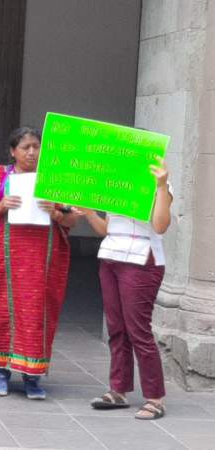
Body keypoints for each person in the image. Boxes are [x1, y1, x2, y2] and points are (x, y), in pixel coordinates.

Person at [0, 127, 78, 399]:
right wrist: (1, 206)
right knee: (1, 311)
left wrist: (57, 213)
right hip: (4, 260)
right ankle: (1, 373)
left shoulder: (56, 180)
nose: (31, 152)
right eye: (25, 147)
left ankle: (32, 376)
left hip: (42, 261)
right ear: (12, 151)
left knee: (38, 314)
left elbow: (73, 220)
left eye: (36, 147)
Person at [84, 157, 172, 420]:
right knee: (117, 328)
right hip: (111, 257)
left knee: (138, 330)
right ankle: (119, 390)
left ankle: (155, 398)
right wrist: (88, 212)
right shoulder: (114, 188)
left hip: (142, 260)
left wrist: (161, 185)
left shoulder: (161, 185)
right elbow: (107, 229)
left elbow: (160, 225)